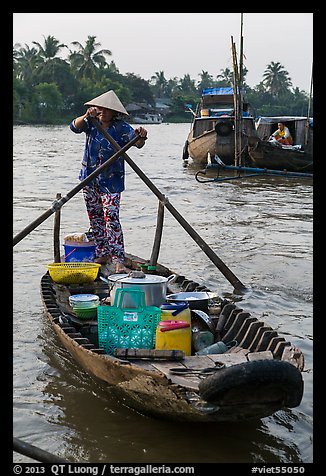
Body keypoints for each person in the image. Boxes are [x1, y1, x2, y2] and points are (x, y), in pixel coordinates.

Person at [70, 90, 147, 273]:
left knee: (111, 217)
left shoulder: (121, 128)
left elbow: (138, 143)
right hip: (89, 179)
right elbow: (74, 127)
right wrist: (87, 115)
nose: (102, 111)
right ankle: (102, 252)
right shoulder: (90, 123)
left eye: (107, 109)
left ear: (114, 112)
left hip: (111, 181)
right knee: (95, 218)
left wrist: (141, 135)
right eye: (100, 108)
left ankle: (118, 258)